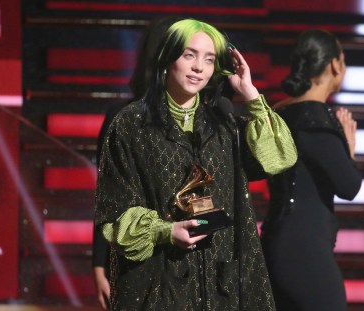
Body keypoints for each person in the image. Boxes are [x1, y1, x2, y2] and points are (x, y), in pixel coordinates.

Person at [95, 18, 297, 310]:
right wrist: (165, 231)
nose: (198, 67)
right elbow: (114, 212)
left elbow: (280, 157)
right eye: (189, 55)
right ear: (168, 58)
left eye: (209, 59)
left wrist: (251, 95)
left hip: (221, 281)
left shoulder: (224, 122)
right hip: (158, 281)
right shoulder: (131, 123)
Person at [260, 29, 363, 311]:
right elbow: (349, 186)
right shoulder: (316, 116)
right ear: (334, 65)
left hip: (275, 240)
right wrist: (349, 151)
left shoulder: (278, 111)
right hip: (304, 250)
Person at [92, 16, 183, 309]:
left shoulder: (208, 121)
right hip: (138, 257)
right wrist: (98, 265)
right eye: (185, 52)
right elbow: (107, 197)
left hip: (192, 259)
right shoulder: (123, 117)